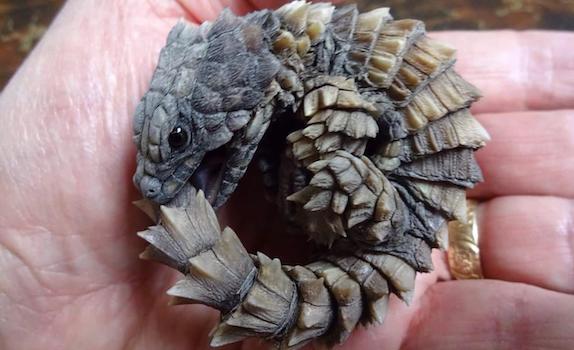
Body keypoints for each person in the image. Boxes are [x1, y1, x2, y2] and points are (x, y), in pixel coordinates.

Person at [0, 0, 573, 349]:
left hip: (400, 198)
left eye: (181, 141)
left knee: (330, 120)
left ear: (250, 87)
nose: (156, 187)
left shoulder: (301, 72)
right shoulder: (265, 64)